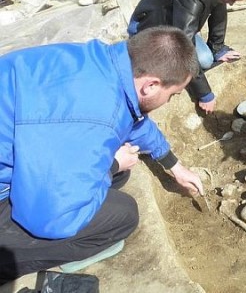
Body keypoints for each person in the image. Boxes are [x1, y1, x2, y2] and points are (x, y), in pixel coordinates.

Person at [0, 26, 205, 283]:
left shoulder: (103, 63)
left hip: (24, 141)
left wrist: (174, 165)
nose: (170, 101)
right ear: (151, 85)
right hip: (14, 195)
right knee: (124, 217)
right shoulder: (95, 118)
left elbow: (133, 118)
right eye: (173, 95)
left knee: (117, 178)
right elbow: (50, 216)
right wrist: (113, 165)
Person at [128, 0, 246, 114]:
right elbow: (183, 48)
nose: (231, 3)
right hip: (148, 25)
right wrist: (204, 93)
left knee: (207, 57)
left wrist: (218, 48)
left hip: (178, 20)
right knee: (202, 60)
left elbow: (219, 4)